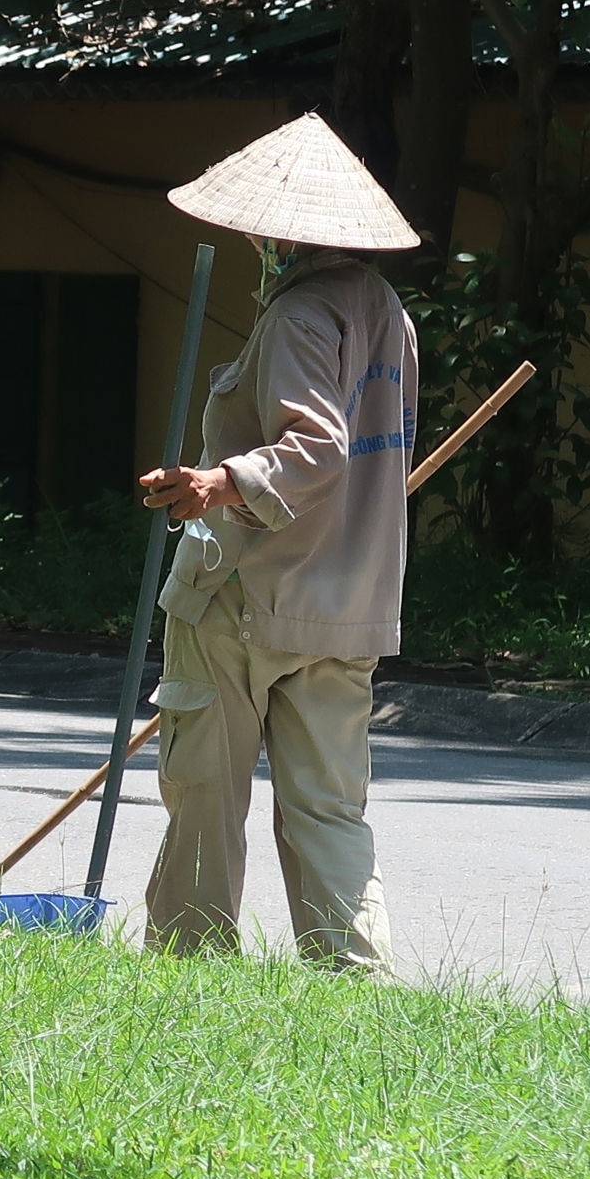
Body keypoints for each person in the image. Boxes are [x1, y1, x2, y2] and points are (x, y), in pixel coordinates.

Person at [138, 112, 420, 972]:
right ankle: (354, 986)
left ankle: (191, 978)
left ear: (283, 233)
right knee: (330, 811)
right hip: (349, 607)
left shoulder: (299, 314)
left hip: (248, 598)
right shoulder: (387, 313)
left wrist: (217, 483)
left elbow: (316, 446)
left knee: (205, 797)